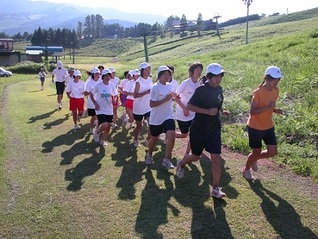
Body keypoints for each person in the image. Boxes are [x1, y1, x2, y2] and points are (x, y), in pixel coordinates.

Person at [176, 63, 230, 199]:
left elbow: (217, 105)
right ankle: (181, 164)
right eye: (216, 76)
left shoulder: (219, 90)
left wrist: (222, 111)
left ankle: (216, 188)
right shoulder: (201, 90)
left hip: (214, 129)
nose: (219, 79)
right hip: (199, 129)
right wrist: (207, 111)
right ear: (210, 76)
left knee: (216, 159)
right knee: (195, 157)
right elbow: (190, 106)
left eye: (220, 75)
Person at [242, 66, 284, 180]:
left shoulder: (276, 91)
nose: (276, 82)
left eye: (278, 79)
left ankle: (254, 159)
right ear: (267, 78)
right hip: (255, 127)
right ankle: (246, 169)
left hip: (268, 126)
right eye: (274, 79)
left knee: (273, 152)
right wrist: (268, 108)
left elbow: (270, 107)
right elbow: (253, 111)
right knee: (256, 151)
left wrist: (275, 110)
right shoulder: (258, 92)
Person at [145, 65, 177, 169]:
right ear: (159, 76)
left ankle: (166, 159)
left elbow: (170, 98)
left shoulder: (169, 86)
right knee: (154, 139)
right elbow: (152, 104)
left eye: (168, 74)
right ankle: (149, 154)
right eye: (164, 74)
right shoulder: (155, 87)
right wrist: (167, 99)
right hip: (156, 118)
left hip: (168, 115)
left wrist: (174, 98)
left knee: (171, 136)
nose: (167, 76)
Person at [174, 63, 203, 154]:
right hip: (183, 113)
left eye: (200, 70)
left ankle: (188, 153)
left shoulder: (200, 84)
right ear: (192, 72)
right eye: (197, 70)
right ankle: (170, 135)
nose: (199, 72)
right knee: (184, 134)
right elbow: (175, 97)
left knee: (193, 134)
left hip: (194, 114)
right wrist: (184, 109)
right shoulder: (186, 83)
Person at [90, 68, 118, 146]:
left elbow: (115, 95)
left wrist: (114, 100)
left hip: (109, 109)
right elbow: (91, 95)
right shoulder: (98, 86)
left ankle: (103, 140)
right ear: (103, 76)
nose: (108, 77)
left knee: (108, 127)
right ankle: (97, 132)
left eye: (109, 75)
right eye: (106, 76)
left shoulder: (112, 86)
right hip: (100, 109)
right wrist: (95, 103)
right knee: (105, 125)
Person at [133, 62, 153, 147]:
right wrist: (147, 92)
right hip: (139, 107)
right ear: (142, 70)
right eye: (147, 69)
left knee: (151, 124)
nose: (149, 71)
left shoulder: (150, 79)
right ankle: (136, 139)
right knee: (139, 125)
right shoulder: (138, 82)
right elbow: (135, 95)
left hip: (148, 106)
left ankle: (148, 140)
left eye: (149, 69)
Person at [84, 67, 102, 134]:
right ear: (93, 74)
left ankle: (97, 129)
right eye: (96, 73)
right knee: (94, 117)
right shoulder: (89, 83)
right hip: (91, 103)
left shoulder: (101, 82)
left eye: (99, 73)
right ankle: (91, 128)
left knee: (99, 117)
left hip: (100, 102)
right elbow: (86, 93)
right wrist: (90, 92)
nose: (98, 75)